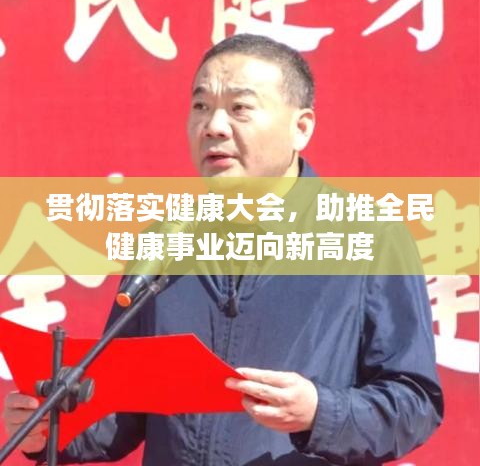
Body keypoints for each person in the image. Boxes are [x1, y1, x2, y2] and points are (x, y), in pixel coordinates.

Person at [2, 34, 443, 465]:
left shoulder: (369, 237)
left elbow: (414, 404)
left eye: (240, 108)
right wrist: (51, 427)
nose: (212, 126)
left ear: (301, 127)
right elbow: (122, 409)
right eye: (200, 107)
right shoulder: (168, 240)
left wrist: (317, 411)